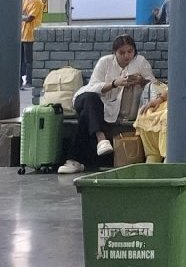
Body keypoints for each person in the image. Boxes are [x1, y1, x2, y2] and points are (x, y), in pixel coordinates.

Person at [58, 34, 155, 174]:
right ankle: (101, 138)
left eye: (130, 51)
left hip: (109, 109)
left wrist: (141, 81)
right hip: (93, 101)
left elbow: (153, 85)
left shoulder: (140, 62)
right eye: (122, 52)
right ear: (115, 52)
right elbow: (93, 86)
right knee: (90, 100)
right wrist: (114, 83)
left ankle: (74, 160)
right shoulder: (105, 62)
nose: (127, 56)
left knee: (86, 117)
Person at [20, 0, 46, 87]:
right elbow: (22, 14)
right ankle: (20, 82)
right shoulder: (25, 0)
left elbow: (30, 18)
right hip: (22, 35)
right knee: (20, 60)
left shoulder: (37, 2)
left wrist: (19, 17)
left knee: (28, 61)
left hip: (30, 36)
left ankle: (29, 82)